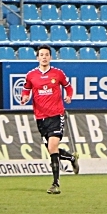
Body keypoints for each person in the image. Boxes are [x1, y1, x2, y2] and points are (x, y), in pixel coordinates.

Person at [20, 45, 80, 195]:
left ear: (50, 57)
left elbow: (69, 87)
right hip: (41, 117)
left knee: (52, 146)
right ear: (37, 58)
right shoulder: (31, 75)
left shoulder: (58, 73)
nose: (44, 57)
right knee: (51, 149)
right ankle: (72, 158)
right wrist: (25, 97)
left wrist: (69, 96)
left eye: (47, 54)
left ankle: (55, 183)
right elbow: (26, 89)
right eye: (41, 55)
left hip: (56, 114)